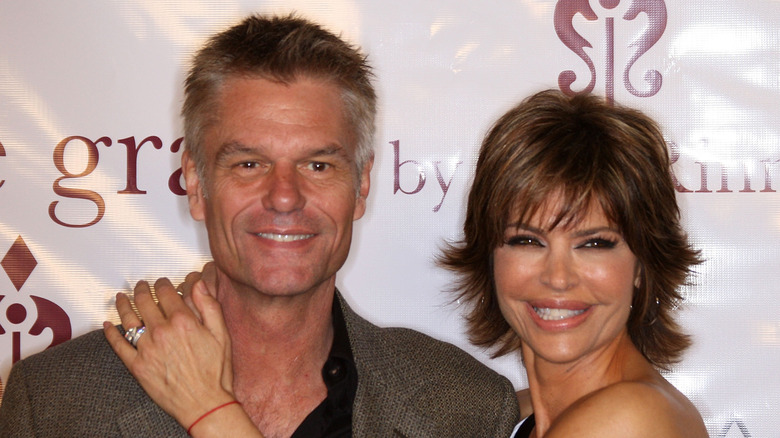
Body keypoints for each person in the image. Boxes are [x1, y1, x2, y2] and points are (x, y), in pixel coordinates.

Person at [0, 13, 520, 437]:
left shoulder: (466, 409)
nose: (284, 196)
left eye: (318, 165)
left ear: (361, 186)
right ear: (196, 184)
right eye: (249, 164)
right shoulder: (53, 402)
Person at [439, 90, 708, 437]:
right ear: (489, 255)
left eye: (593, 244)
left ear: (642, 264)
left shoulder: (628, 420)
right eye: (527, 241)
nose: (558, 277)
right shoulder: (516, 415)